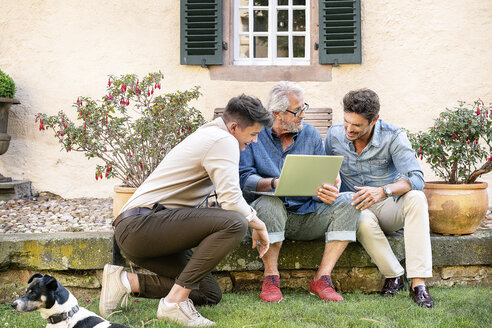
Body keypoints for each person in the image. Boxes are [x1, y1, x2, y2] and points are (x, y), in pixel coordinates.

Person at [99, 94, 273, 327]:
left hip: (144, 230)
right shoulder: (222, 139)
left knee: (208, 293)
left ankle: (125, 281)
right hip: (141, 226)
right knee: (235, 223)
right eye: (253, 134)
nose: (254, 141)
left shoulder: (212, 134)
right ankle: (174, 304)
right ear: (234, 127)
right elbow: (230, 199)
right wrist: (258, 223)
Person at [239, 81, 360, 303]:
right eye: (297, 111)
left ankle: (322, 278)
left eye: (304, 108)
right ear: (277, 113)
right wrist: (274, 183)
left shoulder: (311, 135)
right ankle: (271, 277)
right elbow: (244, 178)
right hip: (267, 218)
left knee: (350, 201)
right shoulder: (255, 134)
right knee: (269, 204)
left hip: (307, 213)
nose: (303, 115)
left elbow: (322, 177)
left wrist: (328, 191)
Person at [324, 88, 434, 308]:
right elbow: (325, 171)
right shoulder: (334, 135)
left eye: (357, 125)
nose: (349, 129)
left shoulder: (393, 136)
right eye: (346, 121)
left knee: (417, 198)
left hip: (388, 205)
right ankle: (393, 275)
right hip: (356, 208)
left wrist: (383, 190)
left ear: (374, 120)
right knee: (359, 216)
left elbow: (417, 178)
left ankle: (419, 283)